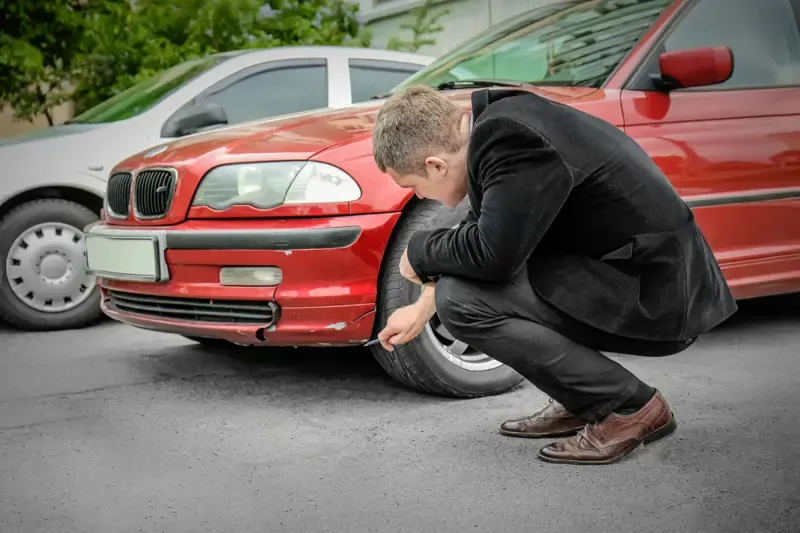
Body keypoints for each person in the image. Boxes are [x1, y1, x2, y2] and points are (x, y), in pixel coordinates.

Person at [371, 85, 738, 465]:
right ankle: (584, 401)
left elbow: (493, 256)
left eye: (411, 186)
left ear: (435, 165)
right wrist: (421, 307)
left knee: (461, 302)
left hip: (658, 293)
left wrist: (419, 251)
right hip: (626, 274)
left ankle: (630, 406)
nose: (417, 196)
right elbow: (487, 231)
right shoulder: (498, 129)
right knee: (455, 294)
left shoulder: (512, 141)